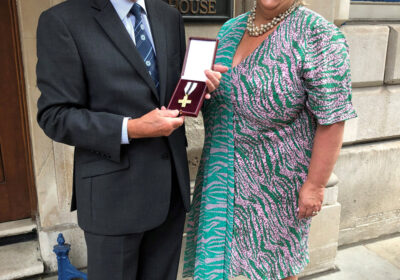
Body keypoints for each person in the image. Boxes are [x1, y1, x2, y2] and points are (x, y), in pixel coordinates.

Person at [36, 0, 226, 279]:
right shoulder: (62, 20)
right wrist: (131, 127)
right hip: (112, 200)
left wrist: (198, 87)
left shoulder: (168, 16)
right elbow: (55, 115)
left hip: (170, 195)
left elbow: (169, 90)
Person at [184, 0, 357, 279]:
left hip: (276, 185)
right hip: (221, 170)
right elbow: (206, 93)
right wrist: (201, 89)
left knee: (275, 269)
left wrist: (315, 185)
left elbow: (333, 118)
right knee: (219, 262)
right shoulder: (230, 29)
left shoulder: (320, 35)